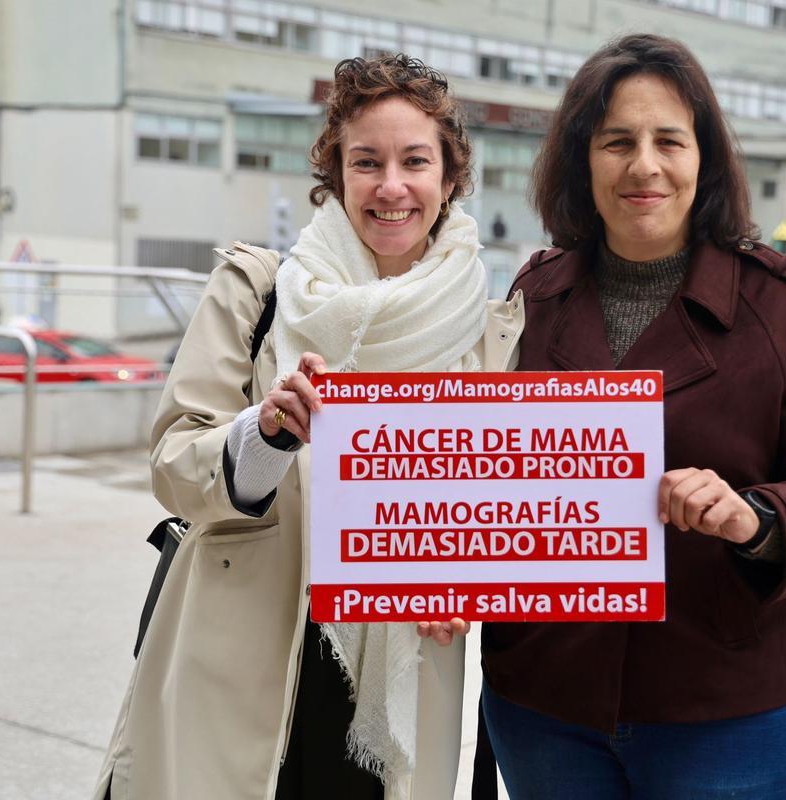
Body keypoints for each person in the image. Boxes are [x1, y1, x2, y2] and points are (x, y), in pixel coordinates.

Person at [95, 55, 521, 800]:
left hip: (398, 672)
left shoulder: (487, 334)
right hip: (242, 661)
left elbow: (505, 512)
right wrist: (264, 439)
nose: (391, 185)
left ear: (450, 176)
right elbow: (173, 463)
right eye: (367, 162)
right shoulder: (258, 292)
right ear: (336, 174)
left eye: (415, 160)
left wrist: (467, 579)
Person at [476, 34, 786, 800]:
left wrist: (757, 518)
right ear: (581, 160)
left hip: (727, 716)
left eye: (669, 140)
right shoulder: (532, 299)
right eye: (617, 143)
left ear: (705, 158)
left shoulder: (782, 306)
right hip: (545, 704)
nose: (645, 166)